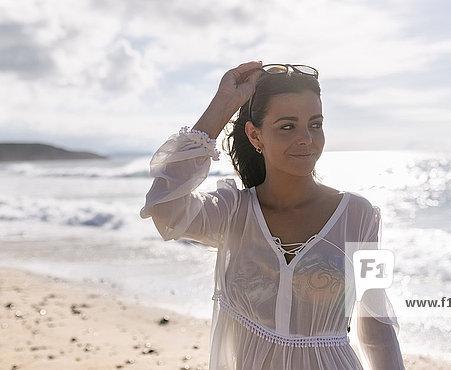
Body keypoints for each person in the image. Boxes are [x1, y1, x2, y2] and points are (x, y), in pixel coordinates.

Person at [140, 61, 405, 369]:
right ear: (255, 136)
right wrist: (223, 104)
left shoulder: (361, 216)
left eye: (316, 124)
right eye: (287, 126)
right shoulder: (232, 212)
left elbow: (377, 327)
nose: (306, 138)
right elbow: (164, 208)